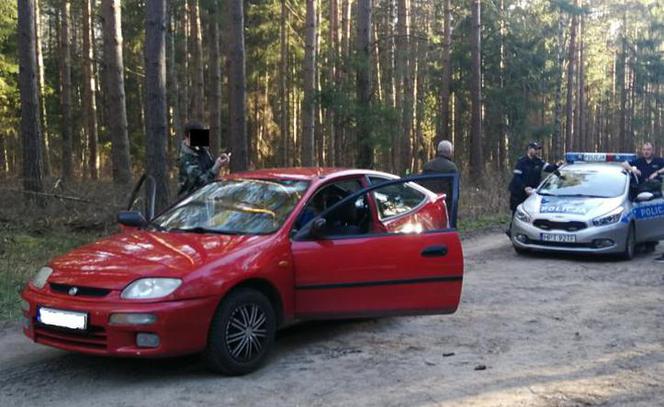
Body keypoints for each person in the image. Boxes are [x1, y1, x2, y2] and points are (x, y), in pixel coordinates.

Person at [507, 142, 561, 236]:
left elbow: (549, 168)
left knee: (530, 212)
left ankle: (528, 233)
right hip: (518, 192)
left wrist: (557, 165)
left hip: (531, 192)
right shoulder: (521, 161)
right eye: (535, 149)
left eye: (538, 149)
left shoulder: (539, 161)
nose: (537, 151)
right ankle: (512, 231)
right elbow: (517, 177)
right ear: (529, 149)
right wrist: (524, 188)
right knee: (517, 212)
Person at [178, 121, 230, 196]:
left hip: (208, 196)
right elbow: (201, 183)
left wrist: (221, 162)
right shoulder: (185, 159)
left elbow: (210, 167)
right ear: (187, 136)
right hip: (191, 200)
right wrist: (216, 167)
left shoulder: (202, 151)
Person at [421, 140, 459, 211]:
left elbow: (421, 186)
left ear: (438, 151)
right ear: (449, 152)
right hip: (444, 205)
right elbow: (455, 190)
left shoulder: (427, 165)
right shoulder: (452, 167)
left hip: (428, 204)